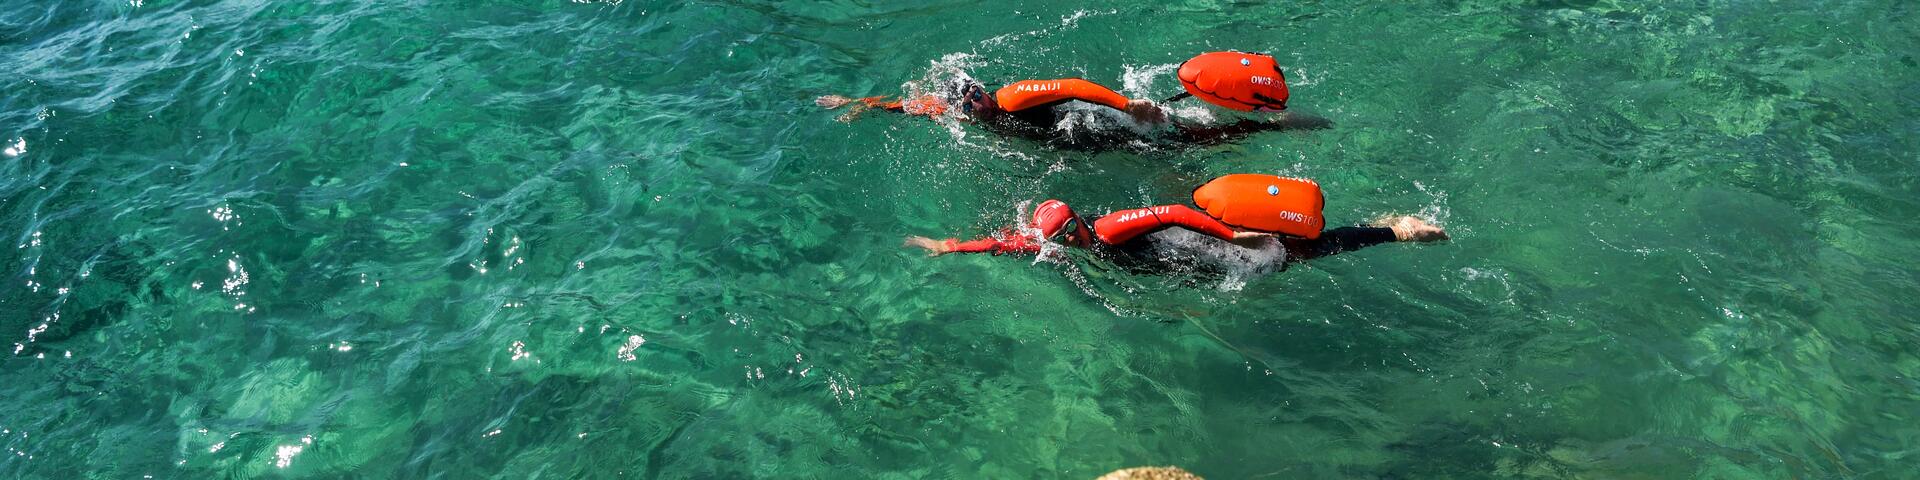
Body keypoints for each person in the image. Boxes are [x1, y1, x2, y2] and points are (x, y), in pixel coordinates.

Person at [902, 175, 1448, 266]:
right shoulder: (1066, 241)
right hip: (1177, 257)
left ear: (1077, 226)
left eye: (1067, 234)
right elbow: (1009, 244)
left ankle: (1397, 230)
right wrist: (952, 246)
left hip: (1198, 240)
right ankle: (1388, 228)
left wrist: (1233, 234)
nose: (1064, 243)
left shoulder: (1109, 229)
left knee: (1290, 256)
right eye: (1059, 239)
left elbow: (1174, 212)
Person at [816, 52, 1319, 147]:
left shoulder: (1011, 97)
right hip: (1075, 141)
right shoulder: (955, 114)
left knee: (1183, 137)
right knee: (1182, 143)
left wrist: (1128, 106)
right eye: (967, 102)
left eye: (976, 93)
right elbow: (910, 106)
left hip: (1095, 122)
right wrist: (856, 102)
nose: (976, 102)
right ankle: (1244, 130)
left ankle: (1270, 124)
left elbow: (1073, 87)